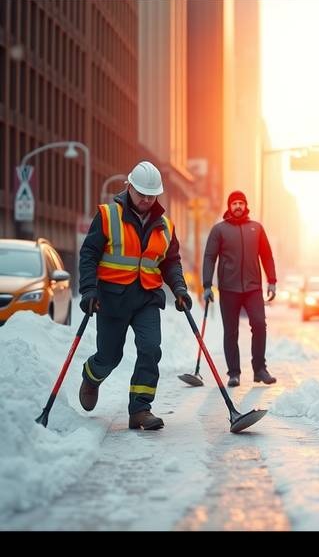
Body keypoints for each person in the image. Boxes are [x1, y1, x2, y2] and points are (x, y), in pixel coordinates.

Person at [78, 161, 191, 430]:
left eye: (151, 195)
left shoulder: (165, 226)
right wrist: (88, 290)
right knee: (109, 357)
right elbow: (89, 255)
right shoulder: (107, 216)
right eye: (141, 193)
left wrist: (179, 289)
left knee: (151, 349)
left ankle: (140, 409)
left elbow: (171, 262)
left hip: (146, 299)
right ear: (129, 187)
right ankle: (92, 377)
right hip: (112, 299)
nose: (145, 199)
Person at [202, 190, 278, 387]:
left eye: (240, 203)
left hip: (253, 288)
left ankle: (260, 369)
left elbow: (267, 256)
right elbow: (210, 257)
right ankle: (233, 373)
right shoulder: (219, 230)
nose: (237, 206)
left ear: (246, 206)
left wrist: (272, 280)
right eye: (234, 203)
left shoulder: (257, 228)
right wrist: (207, 285)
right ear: (229, 206)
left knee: (260, 325)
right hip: (228, 289)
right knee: (231, 331)